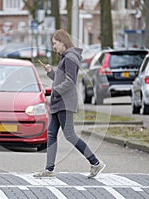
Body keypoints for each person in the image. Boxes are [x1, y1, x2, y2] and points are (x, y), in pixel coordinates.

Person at [34, 29, 105, 179]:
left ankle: (95, 162)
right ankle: (49, 169)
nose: (53, 47)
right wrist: (51, 73)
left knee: (70, 135)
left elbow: (70, 82)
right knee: (52, 134)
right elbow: (62, 79)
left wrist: (55, 91)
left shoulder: (71, 58)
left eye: (55, 43)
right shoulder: (66, 58)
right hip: (58, 102)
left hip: (64, 103)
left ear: (62, 42)